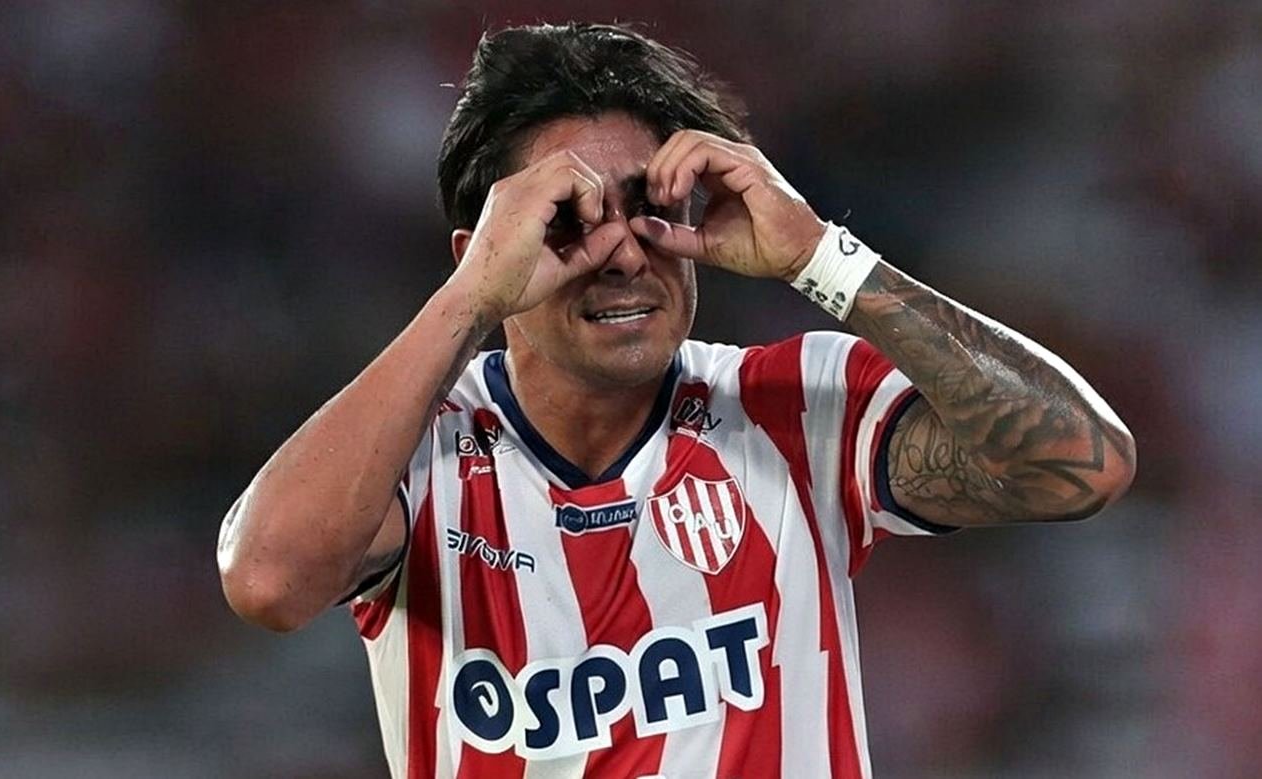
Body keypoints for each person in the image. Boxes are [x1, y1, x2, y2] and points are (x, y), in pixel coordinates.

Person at [217, 22, 1136, 779]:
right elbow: (268, 580)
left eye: (652, 205)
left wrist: (825, 257)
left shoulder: (794, 405)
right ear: (488, 252)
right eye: (566, 220)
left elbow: (1084, 465)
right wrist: (464, 306)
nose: (622, 252)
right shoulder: (418, 452)